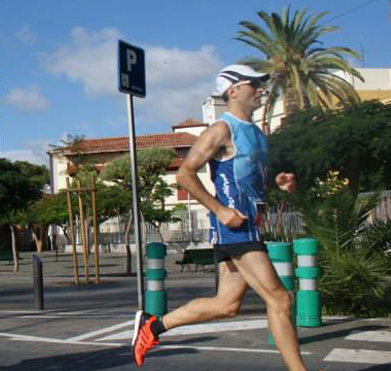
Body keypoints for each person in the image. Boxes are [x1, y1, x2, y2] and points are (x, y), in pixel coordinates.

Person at [131, 64, 305, 370]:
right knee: (280, 299)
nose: (261, 89)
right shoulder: (222, 129)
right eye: (255, 84)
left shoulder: (256, 134)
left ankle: (152, 327)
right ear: (233, 91)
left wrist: (275, 183)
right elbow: (184, 175)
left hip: (248, 227)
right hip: (235, 231)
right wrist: (220, 209)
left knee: (226, 306)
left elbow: (250, 182)